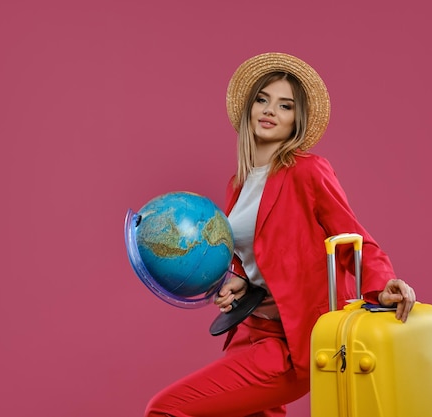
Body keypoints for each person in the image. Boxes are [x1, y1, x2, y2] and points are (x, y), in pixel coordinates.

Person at [144, 52, 416, 417]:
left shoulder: (308, 171)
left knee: (166, 409)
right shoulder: (237, 185)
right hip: (248, 333)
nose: (270, 111)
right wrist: (241, 282)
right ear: (250, 109)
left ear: (295, 122)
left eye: (285, 106)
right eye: (262, 99)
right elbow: (263, 253)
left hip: (291, 343)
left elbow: (353, 238)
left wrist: (382, 284)